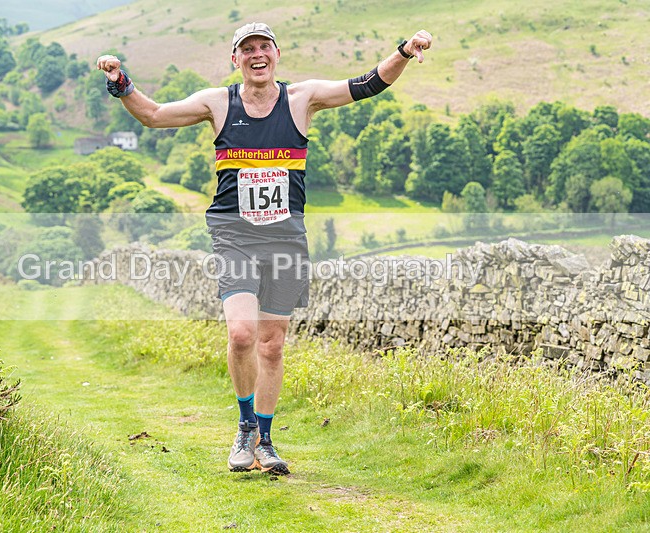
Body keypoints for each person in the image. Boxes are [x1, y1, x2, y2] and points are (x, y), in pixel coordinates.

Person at [97, 23, 432, 475]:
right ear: (235, 59)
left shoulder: (302, 98)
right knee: (241, 334)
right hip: (234, 233)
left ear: (277, 54)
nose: (257, 55)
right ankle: (244, 428)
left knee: (272, 345)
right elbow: (154, 115)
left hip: (286, 236)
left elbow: (367, 84)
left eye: (264, 47)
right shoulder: (218, 102)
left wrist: (406, 51)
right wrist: (122, 84)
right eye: (247, 49)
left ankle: (267, 442)